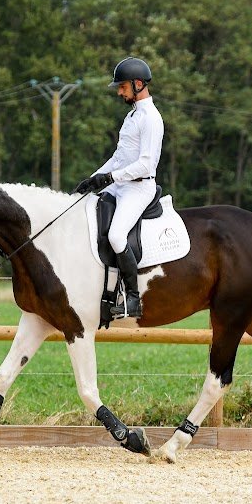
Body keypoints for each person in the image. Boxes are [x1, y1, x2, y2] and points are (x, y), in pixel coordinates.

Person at [75, 57, 164, 319]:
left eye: (122, 86)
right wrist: (94, 178)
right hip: (121, 184)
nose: (119, 91)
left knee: (115, 236)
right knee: (83, 210)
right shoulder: (132, 115)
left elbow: (146, 165)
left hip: (138, 188)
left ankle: (133, 300)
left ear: (138, 84)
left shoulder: (151, 118)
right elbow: (119, 157)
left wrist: (111, 178)